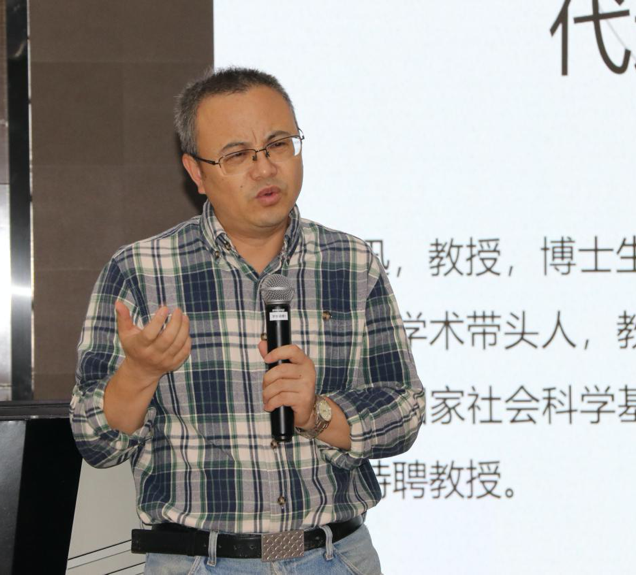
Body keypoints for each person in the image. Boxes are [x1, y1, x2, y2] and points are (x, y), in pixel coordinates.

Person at [70, 67, 425, 574]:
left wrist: (318, 415)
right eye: (237, 155)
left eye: (278, 144)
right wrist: (140, 373)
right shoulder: (141, 271)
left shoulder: (350, 262)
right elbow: (96, 442)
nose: (265, 169)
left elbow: (404, 409)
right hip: (200, 562)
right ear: (196, 173)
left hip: (334, 557)